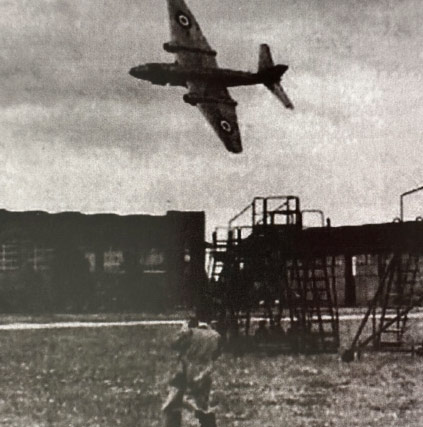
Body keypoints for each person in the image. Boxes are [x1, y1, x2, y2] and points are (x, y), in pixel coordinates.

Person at [162, 318, 222, 427]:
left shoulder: (190, 333)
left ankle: (201, 414)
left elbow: (174, 344)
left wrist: (183, 329)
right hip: (205, 372)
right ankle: (204, 416)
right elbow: (216, 354)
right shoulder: (215, 335)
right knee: (201, 402)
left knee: (172, 406)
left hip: (186, 371)